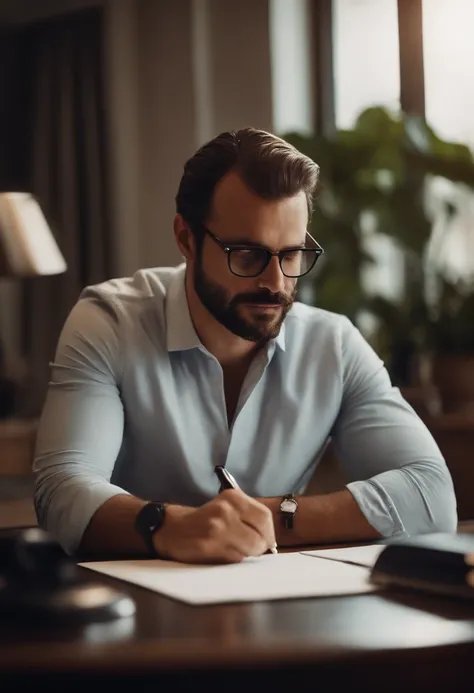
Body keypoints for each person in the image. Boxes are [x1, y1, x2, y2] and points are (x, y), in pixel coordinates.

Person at [33, 128, 457, 563]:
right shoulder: (109, 323)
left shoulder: (334, 346)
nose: (275, 283)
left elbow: (432, 496)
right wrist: (170, 527)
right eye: (247, 255)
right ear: (186, 239)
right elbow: (62, 492)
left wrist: (271, 518)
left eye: (291, 254)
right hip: (129, 615)